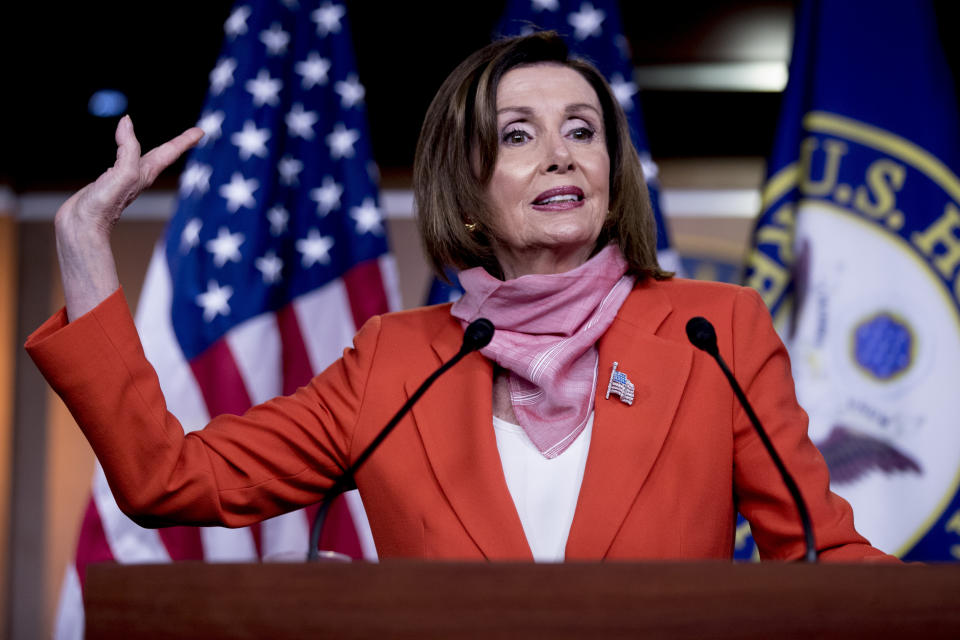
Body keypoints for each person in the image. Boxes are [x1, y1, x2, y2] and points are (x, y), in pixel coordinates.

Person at [26, 32, 894, 562]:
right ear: (468, 189)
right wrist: (83, 246)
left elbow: (822, 554)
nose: (561, 154)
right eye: (518, 134)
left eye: (582, 132)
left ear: (609, 172)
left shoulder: (715, 330)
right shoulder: (396, 362)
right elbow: (165, 479)